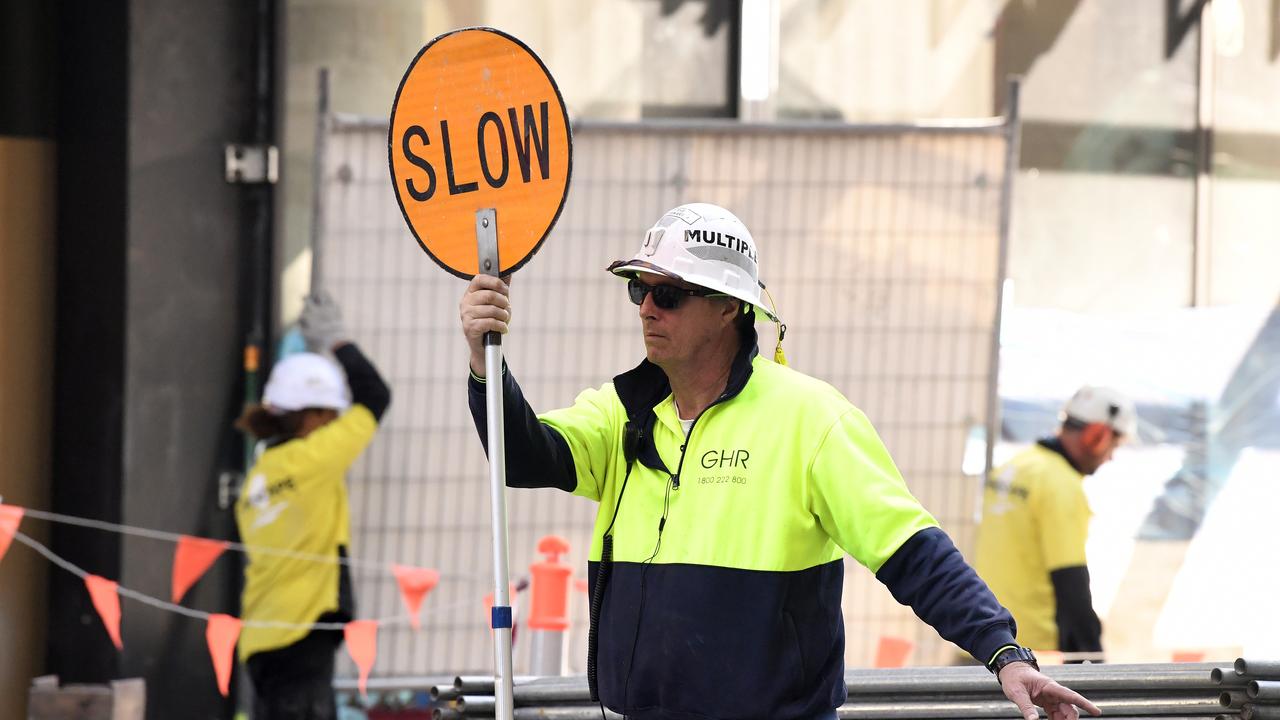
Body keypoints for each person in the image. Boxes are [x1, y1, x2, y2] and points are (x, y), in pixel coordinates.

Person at [460, 202, 1101, 720]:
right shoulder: (621, 412)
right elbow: (519, 455)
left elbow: (911, 549)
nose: (648, 307)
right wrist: (482, 356)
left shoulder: (811, 419)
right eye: (639, 289)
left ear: (729, 307)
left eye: (670, 293)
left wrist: (1004, 653)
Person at [235, 291, 391, 720]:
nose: (336, 424)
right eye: (330, 414)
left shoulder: (260, 475)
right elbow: (374, 395)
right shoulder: (311, 461)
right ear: (310, 416)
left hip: (262, 642)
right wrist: (337, 341)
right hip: (301, 635)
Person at [974, 385, 1137, 660]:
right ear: (1097, 435)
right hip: (1031, 650)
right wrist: (1091, 655)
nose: (1111, 457)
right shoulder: (1060, 484)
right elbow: (1070, 579)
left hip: (983, 633)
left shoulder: (1015, 467)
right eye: (1114, 445)